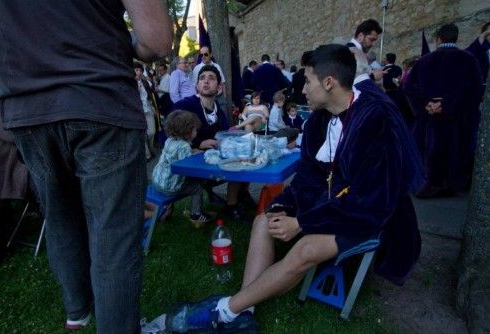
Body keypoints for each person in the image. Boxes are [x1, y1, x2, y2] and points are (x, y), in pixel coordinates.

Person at [148, 44, 423, 333]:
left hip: (370, 215)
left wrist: (302, 222)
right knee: (263, 220)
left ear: (329, 83)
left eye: (308, 80)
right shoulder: (319, 119)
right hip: (328, 204)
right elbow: (308, 177)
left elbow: (369, 201)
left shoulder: (375, 118)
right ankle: (245, 312)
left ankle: (225, 310)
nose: (302, 89)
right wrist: (285, 206)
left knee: (305, 248)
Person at [0, 1, 172, 333]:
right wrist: (118, 38)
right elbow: (157, 40)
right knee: (113, 233)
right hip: (98, 95)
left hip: (24, 104)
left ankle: (78, 308)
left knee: (58, 212)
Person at [404, 23, 483, 198]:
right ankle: (450, 183)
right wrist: (449, 105)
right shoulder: (469, 60)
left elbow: (408, 86)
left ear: (438, 39)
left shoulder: (424, 60)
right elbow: (476, 90)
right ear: (456, 38)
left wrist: (425, 106)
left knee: (431, 150)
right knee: (455, 150)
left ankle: (431, 184)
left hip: (430, 118)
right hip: (457, 118)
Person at [172, 65, 254, 221]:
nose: (206, 81)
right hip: (189, 161)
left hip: (209, 159)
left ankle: (240, 196)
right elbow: (168, 131)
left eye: (211, 78)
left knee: (245, 153)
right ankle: (231, 206)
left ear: (219, 87)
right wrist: (197, 144)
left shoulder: (220, 112)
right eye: (202, 78)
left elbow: (223, 136)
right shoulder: (186, 105)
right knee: (236, 164)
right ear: (197, 86)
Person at [152, 110, 213, 226]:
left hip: (158, 180)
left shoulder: (170, 140)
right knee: (197, 187)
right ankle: (196, 214)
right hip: (170, 186)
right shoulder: (184, 146)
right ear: (187, 131)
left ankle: (168, 209)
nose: (196, 132)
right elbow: (189, 169)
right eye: (195, 130)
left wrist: (193, 151)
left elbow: (177, 156)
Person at [134, 62, 158, 160]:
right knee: (143, 134)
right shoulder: (131, 83)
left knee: (152, 132)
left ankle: (151, 149)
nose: (138, 72)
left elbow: (150, 95)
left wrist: (153, 107)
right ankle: (147, 155)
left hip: (148, 109)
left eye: (140, 70)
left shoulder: (144, 82)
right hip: (138, 111)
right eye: (136, 70)